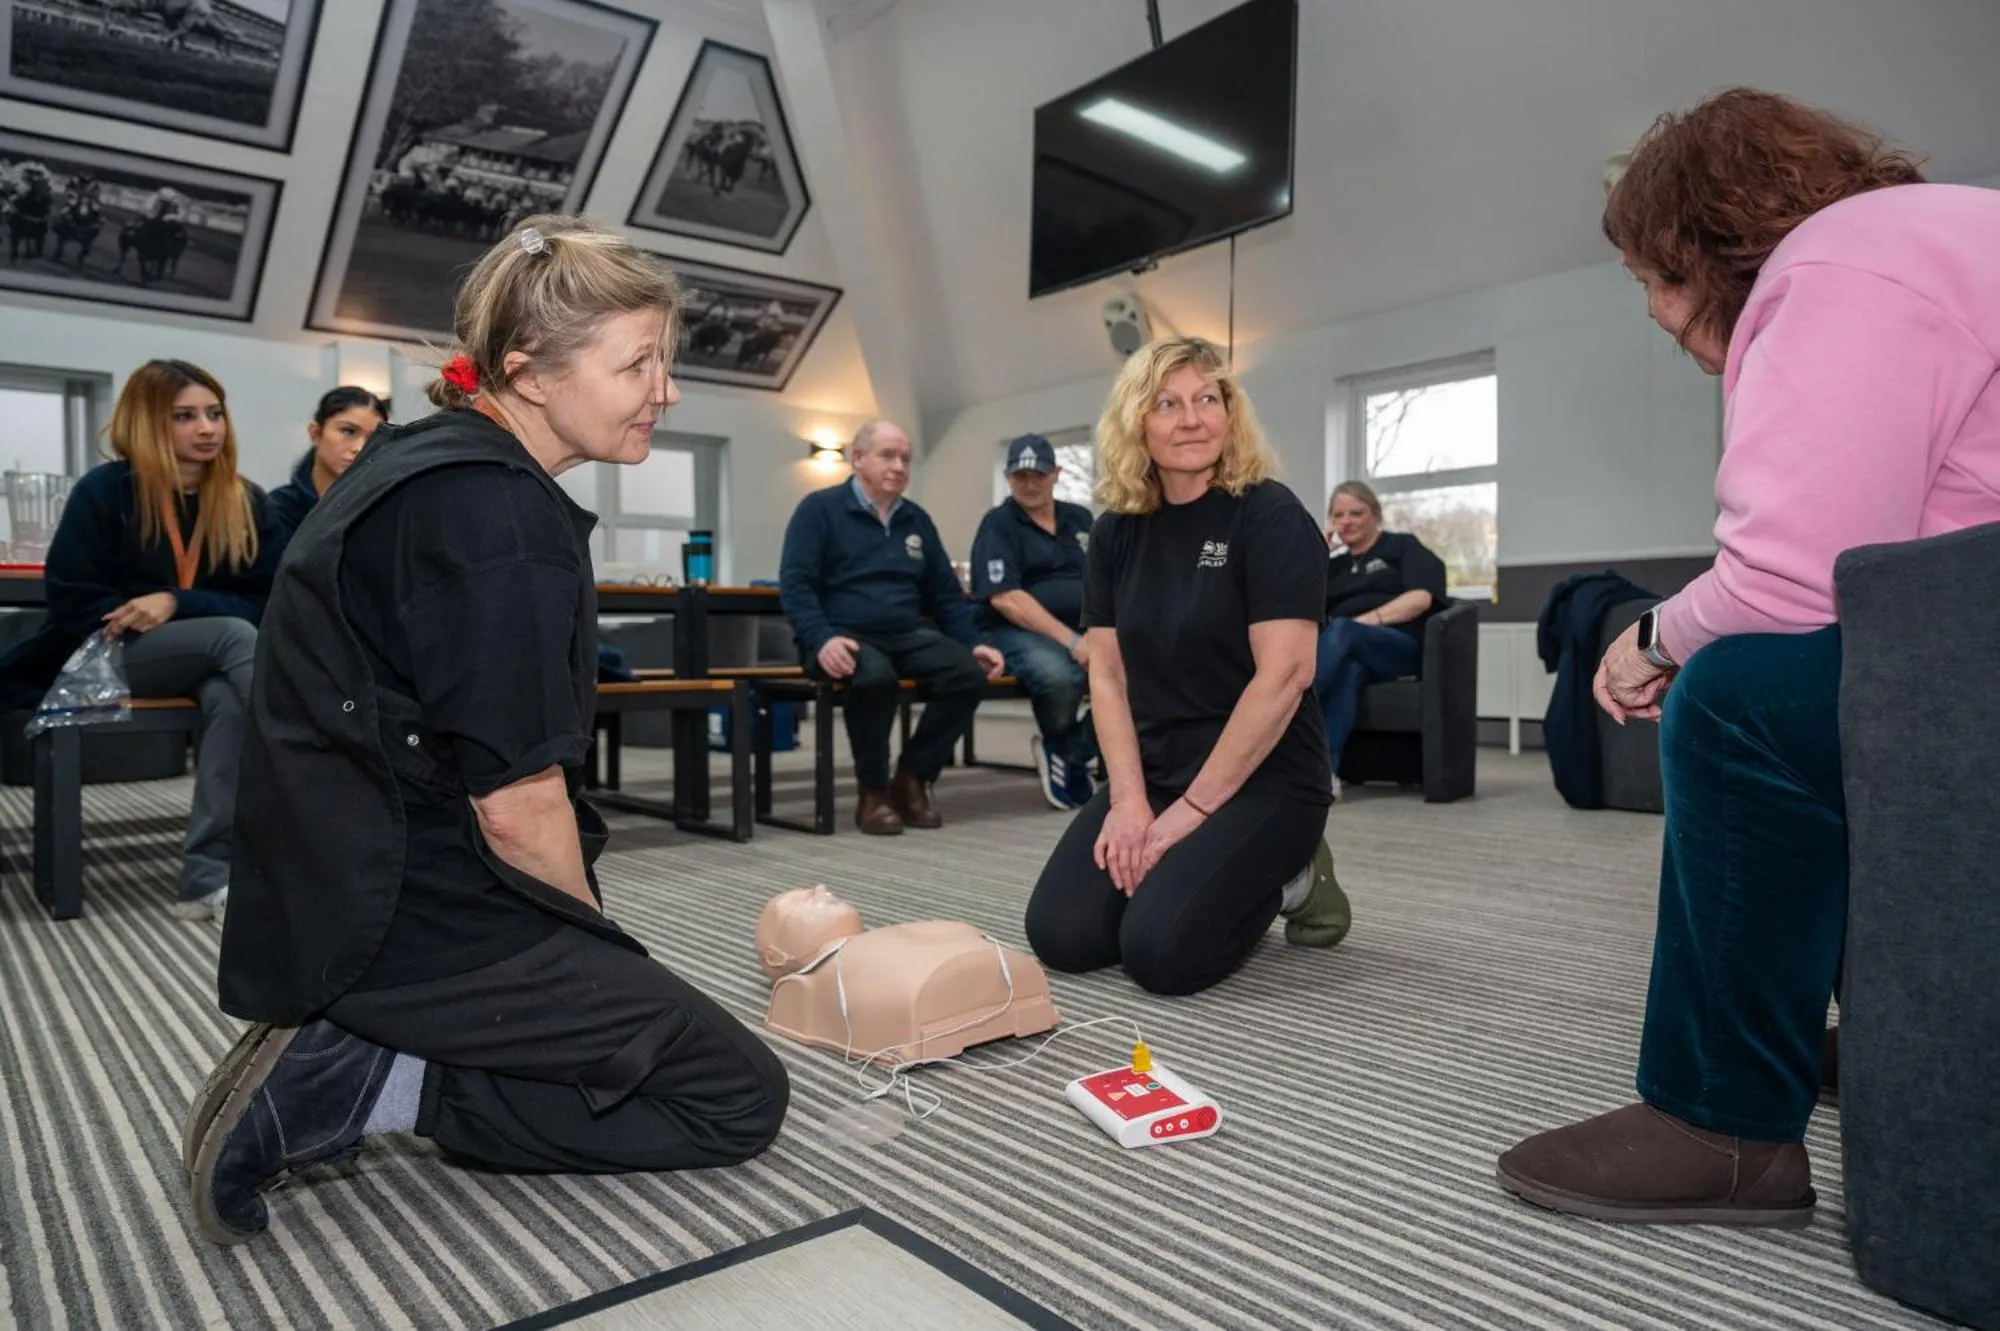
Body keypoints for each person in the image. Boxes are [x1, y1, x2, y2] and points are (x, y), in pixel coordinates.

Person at [185, 217, 789, 1247]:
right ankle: (388, 1079)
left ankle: (375, 1040)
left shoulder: (419, 463)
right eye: (638, 361)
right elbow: (516, 809)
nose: (666, 389)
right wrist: (597, 957)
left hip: (335, 880)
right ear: (531, 372)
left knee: (626, 1025)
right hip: (414, 912)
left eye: (664, 360)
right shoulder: (499, 521)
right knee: (735, 1095)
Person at [1498, 90, 2000, 1226]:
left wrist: (1647, 639)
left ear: (1694, 241)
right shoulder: (1938, 232)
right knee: (1821, 686)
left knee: (1735, 700)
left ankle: (1719, 1121)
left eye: (1647, 278)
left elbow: (1792, 575)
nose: (1653, 314)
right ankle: (1887, 1026)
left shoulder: (1834, 268)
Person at [1022, 338, 1352, 997]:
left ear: (1230, 413)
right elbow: (1108, 674)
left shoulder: (1270, 514)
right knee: (1064, 935)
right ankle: (1202, 865)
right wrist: (1129, 801)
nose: (1192, 418)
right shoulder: (1117, 532)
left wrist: (1190, 813)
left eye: (1208, 399)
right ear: (1137, 422)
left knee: (1160, 952)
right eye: (1167, 404)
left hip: (1266, 780)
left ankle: (1294, 875)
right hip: (1160, 769)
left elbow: (1285, 677)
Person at [0, 358, 276, 922]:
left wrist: (178, 601)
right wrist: (152, 613)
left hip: (212, 659)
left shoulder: (244, 499)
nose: (207, 428)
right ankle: (302, 788)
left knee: (229, 691)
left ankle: (207, 881)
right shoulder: (107, 491)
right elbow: (72, 600)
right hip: (102, 655)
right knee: (232, 636)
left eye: (214, 413)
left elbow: (273, 601)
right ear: (150, 422)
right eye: (185, 416)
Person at [777, 420, 1005, 835]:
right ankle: (873, 791)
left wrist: (973, 643)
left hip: (905, 634)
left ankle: (913, 777)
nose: (898, 466)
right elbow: (795, 585)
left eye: (905, 458)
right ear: (858, 458)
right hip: (839, 633)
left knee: (968, 675)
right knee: (874, 677)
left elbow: (944, 595)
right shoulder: (819, 510)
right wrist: (822, 638)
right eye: (887, 455)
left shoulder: (916, 520)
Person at [969, 433, 1098, 810]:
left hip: (1084, 626)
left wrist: (1099, 633)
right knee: (1059, 674)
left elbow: (1103, 580)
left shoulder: (1080, 519)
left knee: (1140, 673)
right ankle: (1067, 754)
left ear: (1055, 474)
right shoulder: (998, 524)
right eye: (1020, 476)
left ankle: (1067, 752)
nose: (1029, 483)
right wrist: (1074, 642)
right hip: (1014, 629)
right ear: (1009, 478)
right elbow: (1007, 598)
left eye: (1038, 475)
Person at [1315, 480, 1447, 795]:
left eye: (1356, 513)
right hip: (1348, 651)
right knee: (1349, 672)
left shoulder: (1402, 547)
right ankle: (1325, 776)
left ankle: (1290, 706)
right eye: (1338, 515)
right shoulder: (1334, 567)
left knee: (1343, 631)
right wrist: (1316, 556)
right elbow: (1301, 607)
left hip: (1398, 646)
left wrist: (1364, 623)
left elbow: (1421, 598)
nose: (1346, 521)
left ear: (1375, 514)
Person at [266, 386, 389, 539]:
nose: (360, 448)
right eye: (348, 431)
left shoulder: (387, 509)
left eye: (373, 439)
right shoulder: (277, 509)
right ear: (316, 433)